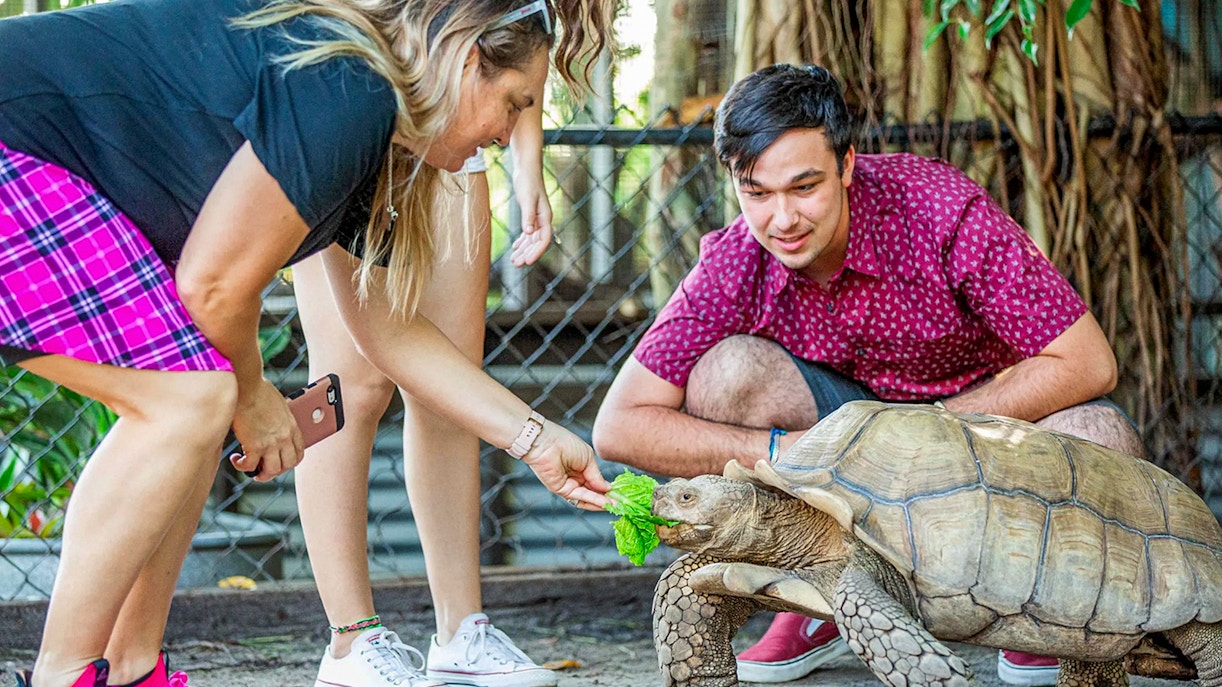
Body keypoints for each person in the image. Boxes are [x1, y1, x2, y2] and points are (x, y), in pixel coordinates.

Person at [0, 1, 614, 686]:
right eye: (514, 103)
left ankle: (131, 667)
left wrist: (535, 437)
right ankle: (66, 673)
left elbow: (386, 330)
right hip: (13, 149)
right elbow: (212, 286)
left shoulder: (376, 128)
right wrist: (255, 393)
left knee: (202, 397)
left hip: (46, 169)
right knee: (194, 400)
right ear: (469, 60)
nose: (508, 133)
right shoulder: (350, 87)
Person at [591, 64, 1147, 687]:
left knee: (1101, 432)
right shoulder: (735, 259)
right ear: (734, 182)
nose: (782, 219)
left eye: (805, 187)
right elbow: (617, 427)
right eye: (757, 192)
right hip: (833, 460)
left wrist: (925, 433)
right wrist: (788, 451)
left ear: (847, 165)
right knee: (726, 374)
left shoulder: (939, 209)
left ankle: (1051, 617)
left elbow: (1088, 361)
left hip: (977, 445)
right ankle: (817, 597)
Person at [292, 101, 573, 687]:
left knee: (452, 391)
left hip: (455, 151)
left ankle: (461, 633)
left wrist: (527, 168)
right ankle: (352, 642)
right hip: (351, 149)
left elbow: (519, 52)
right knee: (350, 392)